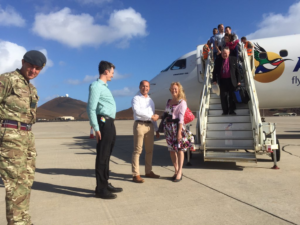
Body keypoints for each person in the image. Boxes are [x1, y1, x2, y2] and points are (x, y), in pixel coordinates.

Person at [0, 50, 46, 225]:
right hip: (10, 138)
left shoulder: (31, 87)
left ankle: (24, 220)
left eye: (37, 68)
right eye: (30, 66)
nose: (33, 70)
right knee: (14, 184)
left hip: (26, 137)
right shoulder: (7, 79)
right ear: (23, 62)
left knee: (25, 181)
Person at [87, 60, 123, 200]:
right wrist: (96, 128)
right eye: (112, 72)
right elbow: (91, 108)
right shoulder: (96, 86)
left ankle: (105, 183)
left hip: (109, 122)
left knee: (107, 154)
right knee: (102, 155)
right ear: (106, 71)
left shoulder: (105, 87)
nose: (113, 75)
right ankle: (100, 189)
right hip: (103, 122)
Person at [163, 82, 194, 182]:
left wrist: (179, 132)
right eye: (172, 89)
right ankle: (176, 170)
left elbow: (181, 118)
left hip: (178, 127)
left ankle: (180, 171)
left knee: (180, 149)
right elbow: (166, 114)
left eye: (175, 89)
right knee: (171, 150)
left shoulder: (182, 102)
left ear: (179, 90)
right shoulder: (168, 102)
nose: (174, 90)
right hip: (169, 128)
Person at [131, 80, 160, 183]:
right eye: (143, 86)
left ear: (149, 88)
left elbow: (153, 115)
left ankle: (148, 171)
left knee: (149, 150)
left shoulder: (151, 101)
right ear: (139, 87)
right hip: (140, 124)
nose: (145, 88)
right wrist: (151, 116)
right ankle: (136, 174)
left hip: (150, 126)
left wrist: (156, 129)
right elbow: (137, 111)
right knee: (138, 150)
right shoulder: (136, 98)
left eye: (147, 86)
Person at [212, 47, 241, 115]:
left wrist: (239, 81)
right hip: (222, 81)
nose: (224, 54)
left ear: (229, 53)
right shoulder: (218, 60)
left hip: (232, 81)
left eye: (225, 53)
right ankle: (225, 111)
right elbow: (215, 71)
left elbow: (237, 71)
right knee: (223, 97)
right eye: (222, 53)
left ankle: (231, 110)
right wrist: (214, 79)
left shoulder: (233, 59)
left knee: (232, 96)